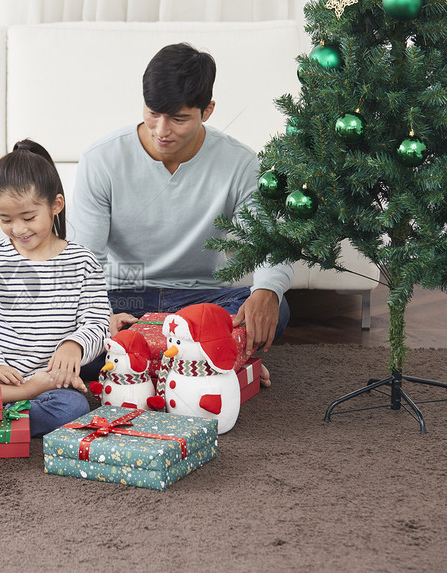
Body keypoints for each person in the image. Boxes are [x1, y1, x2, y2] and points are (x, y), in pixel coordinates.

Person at [72, 43, 294, 387]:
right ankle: (213, 359)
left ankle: (144, 358)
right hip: (125, 294)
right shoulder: (100, 159)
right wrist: (102, 315)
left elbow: (269, 243)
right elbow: (85, 261)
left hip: (203, 298)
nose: (161, 130)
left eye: (178, 119)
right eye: (153, 113)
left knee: (273, 307)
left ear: (207, 111)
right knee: (71, 330)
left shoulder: (241, 163)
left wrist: (267, 292)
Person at [0, 139, 110, 436]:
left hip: (49, 384)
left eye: (28, 218)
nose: (19, 229)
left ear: (56, 206)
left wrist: (73, 345)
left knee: (73, 409)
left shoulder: (82, 261)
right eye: (5, 219)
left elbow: (98, 321)